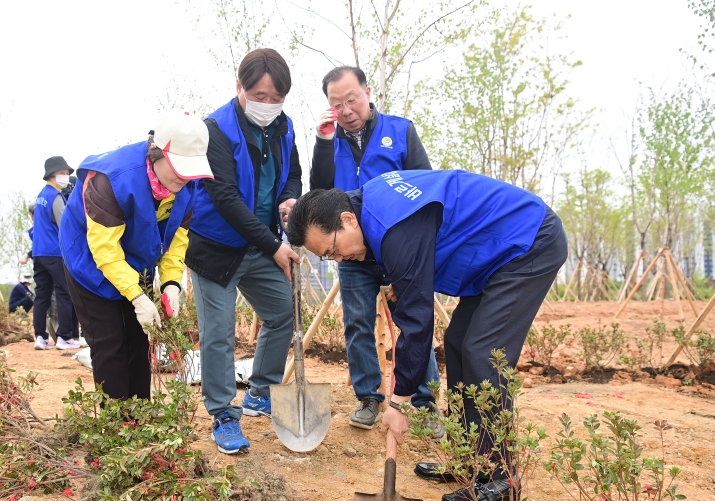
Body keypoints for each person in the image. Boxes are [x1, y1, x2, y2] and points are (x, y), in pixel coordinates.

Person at [286, 170, 568, 501]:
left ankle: (502, 475)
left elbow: (418, 325)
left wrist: (399, 403)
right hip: (497, 253)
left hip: (527, 241)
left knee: (483, 352)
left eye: (333, 250)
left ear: (347, 220)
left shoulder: (394, 226)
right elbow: (416, 255)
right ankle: (469, 460)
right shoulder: (370, 207)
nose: (338, 259)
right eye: (328, 258)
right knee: (458, 342)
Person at [309, 66, 442, 434]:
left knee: (413, 320)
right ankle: (369, 397)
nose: (347, 109)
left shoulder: (400, 131)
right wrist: (322, 143)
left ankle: (425, 402)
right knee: (357, 324)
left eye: (351, 99)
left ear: (368, 93)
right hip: (352, 250)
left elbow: (426, 184)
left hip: (399, 246)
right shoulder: (328, 142)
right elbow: (318, 195)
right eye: (337, 104)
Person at [187, 48, 302, 455]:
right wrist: (274, 245)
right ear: (240, 87)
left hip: (261, 244)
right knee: (218, 334)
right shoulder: (215, 129)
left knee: (282, 312)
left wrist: (289, 202)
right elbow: (225, 197)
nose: (268, 105)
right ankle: (222, 413)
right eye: (259, 95)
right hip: (217, 248)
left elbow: (292, 176)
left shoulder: (284, 127)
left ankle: (260, 392)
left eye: (276, 98)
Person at [60, 111, 213, 404]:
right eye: (180, 169)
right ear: (157, 153)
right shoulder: (110, 180)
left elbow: (176, 239)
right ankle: (116, 427)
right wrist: (137, 296)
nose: (184, 178)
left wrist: (170, 284)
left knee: (138, 338)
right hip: (90, 260)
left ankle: (140, 418)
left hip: (135, 258)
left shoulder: (187, 185)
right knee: (110, 343)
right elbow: (105, 251)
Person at [32, 156, 81, 351]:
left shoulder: (41, 196)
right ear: (53, 175)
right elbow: (64, 225)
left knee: (41, 295)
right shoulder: (56, 196)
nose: (66, 177)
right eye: (63, 173)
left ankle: (40, 337)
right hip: (54, 252)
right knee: (65, 292)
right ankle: (65, 337)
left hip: (39, 252)